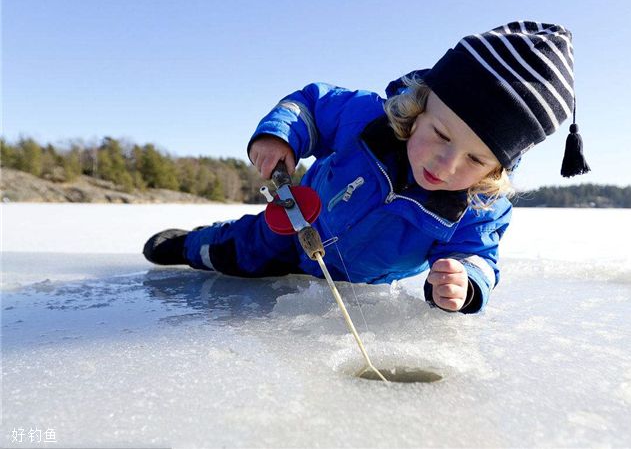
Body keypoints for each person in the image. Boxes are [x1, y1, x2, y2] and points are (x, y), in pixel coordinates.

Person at [143, 21, 590, 314]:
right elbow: (311, 106)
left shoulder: (477, 208)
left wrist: (465, 281)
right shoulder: (367, 118)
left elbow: (478, 254)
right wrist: (280, 135)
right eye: (440, 134)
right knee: (239, 248)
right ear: (420, 107)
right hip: (296, 223)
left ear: (496, 170)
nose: (446, 163)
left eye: (475, 159)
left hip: (357, 284)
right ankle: (191, 247)